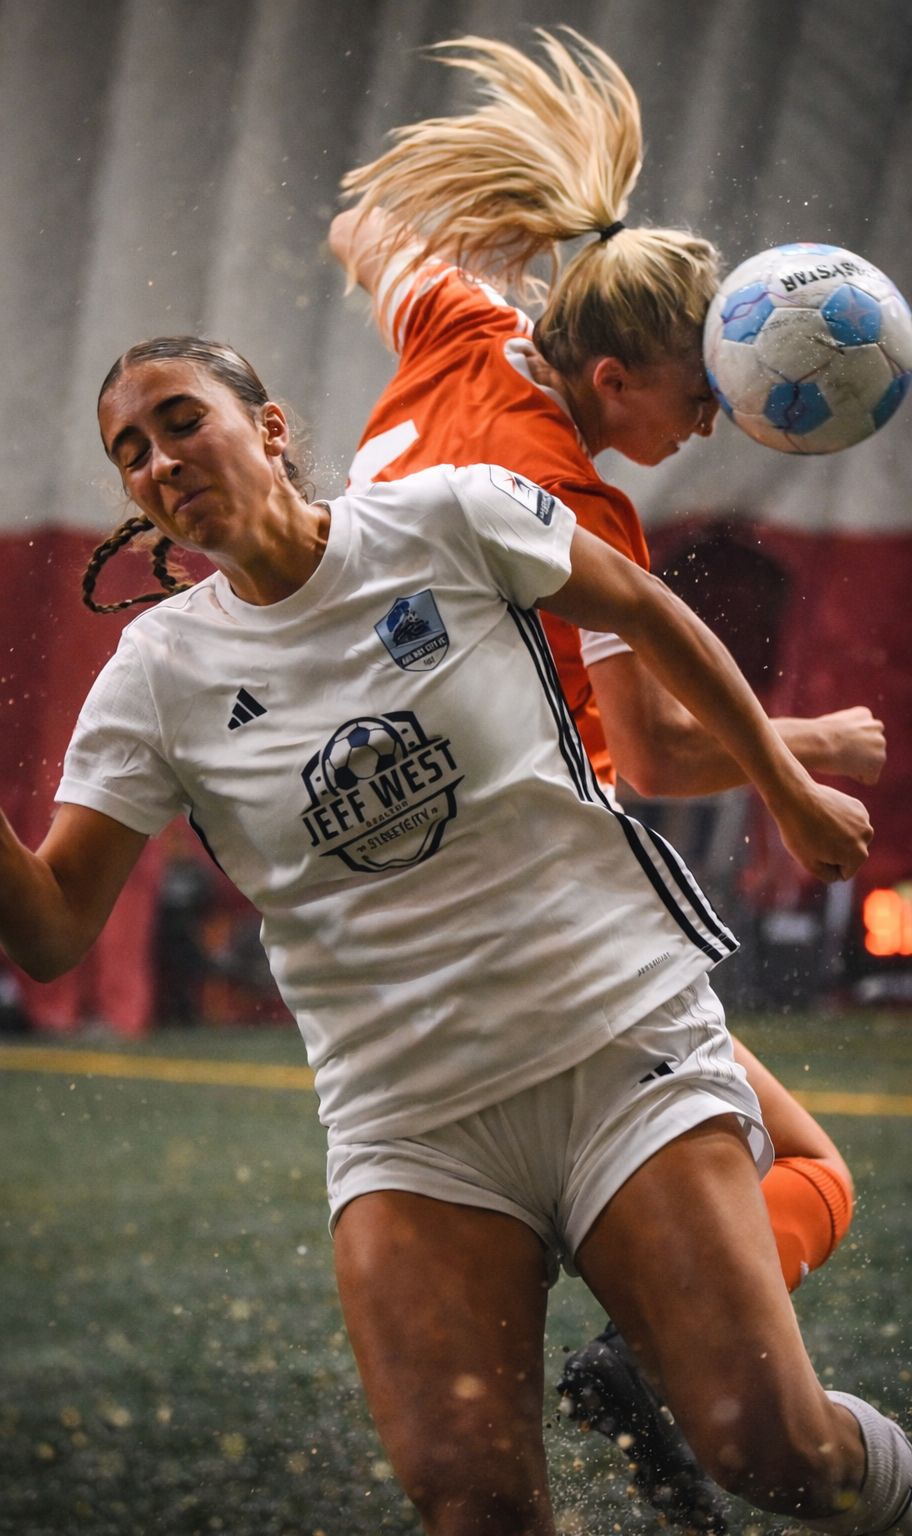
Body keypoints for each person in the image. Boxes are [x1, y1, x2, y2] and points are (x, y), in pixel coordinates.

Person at [0, 337, 911, 1536]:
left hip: (615, 1047)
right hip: (409, 1122)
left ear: (270, 427)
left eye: (182, 421)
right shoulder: (155, 676)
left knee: (773, 1453)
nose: (161, 460)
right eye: (131, 452)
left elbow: (645, 607)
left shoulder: (450, 516)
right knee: (474, 1511)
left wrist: (786, 792)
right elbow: (57, 930)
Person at [328, 27, 885, 1524]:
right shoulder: (563, 502)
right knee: (819, 1174)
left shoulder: (458, 325)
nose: (710, 422)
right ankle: (660, 1354)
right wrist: (802, 756)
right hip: (546, 905)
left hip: (378, 894)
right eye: (696, 398)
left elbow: (358, 223)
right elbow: (651, 754)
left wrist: (503, 261)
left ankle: (648, 1337)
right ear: (615, 372)